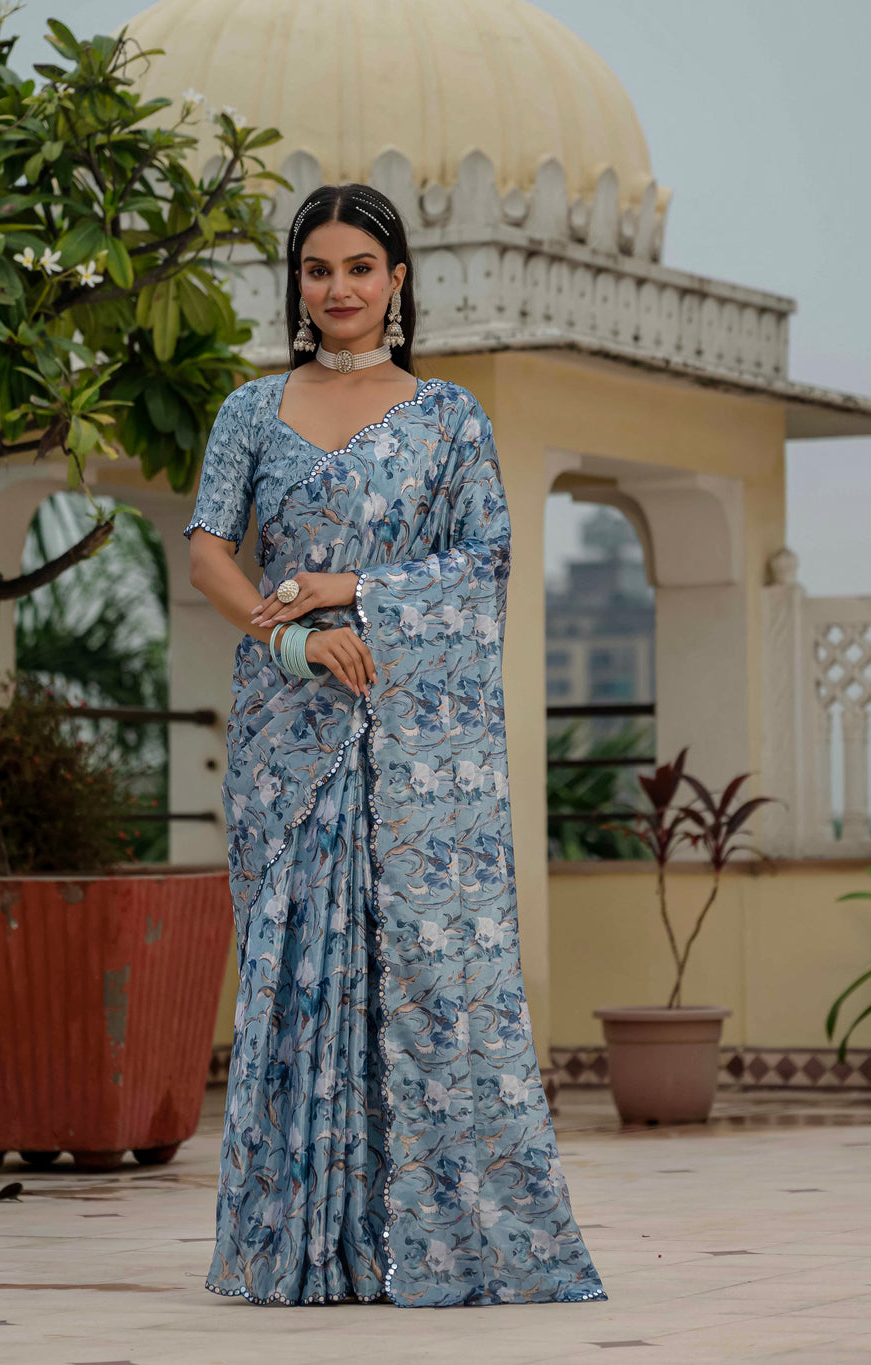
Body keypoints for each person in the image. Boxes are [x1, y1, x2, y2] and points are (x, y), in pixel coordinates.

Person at [185, 182, 606, 1308]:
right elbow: (210, 553)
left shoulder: (449, 417)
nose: (338, 289)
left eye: (359, 268)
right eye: (318, 269)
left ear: (397, 279)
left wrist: (352, 589)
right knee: (293, 972)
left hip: (418, 751)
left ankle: (429, 1239)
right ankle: (301, 1245)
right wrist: (293, 639)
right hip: (287, 734)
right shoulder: (249, 411)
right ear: (298, 283)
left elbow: (484, 562)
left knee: (424, 974)